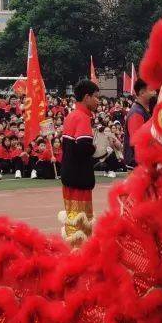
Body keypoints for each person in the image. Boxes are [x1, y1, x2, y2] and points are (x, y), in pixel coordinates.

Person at [59, 78, 100, 245]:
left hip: (70, 176)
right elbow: (83, 148)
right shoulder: (82, 118)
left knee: (72, 220)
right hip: (79, 178)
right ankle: (80, 258)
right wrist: (95, 148)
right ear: (86, 97)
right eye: (96, 97)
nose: (98, 100)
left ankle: (74, 256)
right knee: (81, 223)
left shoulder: (71, 116)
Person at [122, 80, 156, 170]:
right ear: (142, 93)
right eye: (151, 90)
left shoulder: (143, 111)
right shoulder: (137, 113)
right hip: (138, 166)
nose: (155, 92)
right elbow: (138, 143)